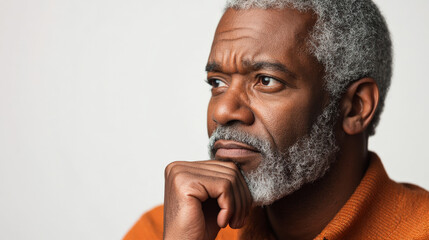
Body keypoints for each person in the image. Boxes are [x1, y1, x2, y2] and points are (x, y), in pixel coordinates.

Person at [124, 0, 429, 239]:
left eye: (266, 81)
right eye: (217, 83)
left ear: (355, 107)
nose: (223, 112)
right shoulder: (167, 230)